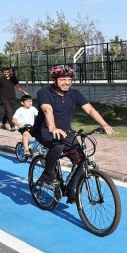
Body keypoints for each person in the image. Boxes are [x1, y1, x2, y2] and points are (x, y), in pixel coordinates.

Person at [31, 64, 113, 203]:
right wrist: (52, 127)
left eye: (69, 79)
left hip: (66, 132)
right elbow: (47, 110)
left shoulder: (74, 94)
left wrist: (103, 124)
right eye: (63, 79)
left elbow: (90, 110)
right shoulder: (44, 93)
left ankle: (70, 189)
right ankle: (48, 173)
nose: (67, 82)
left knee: (82, 158)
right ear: (55, 79)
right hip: (44, 130)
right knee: (58, 146)